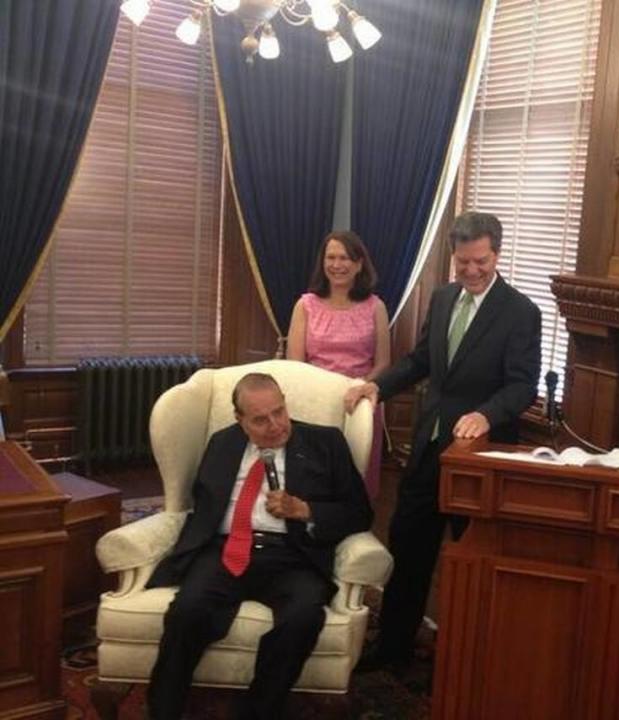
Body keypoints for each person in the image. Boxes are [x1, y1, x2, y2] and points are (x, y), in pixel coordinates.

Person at [344, 210, 541, 672]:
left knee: (471, 561)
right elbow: (419, 361)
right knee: (409, 548)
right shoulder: (443, 296)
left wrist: (485, 414)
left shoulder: (521, 312)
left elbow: (522, 385)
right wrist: (379, 387)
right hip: (430, 448)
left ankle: (468, 658)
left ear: (496, 254)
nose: (471, 272)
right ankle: (392, 648)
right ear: (453, 258)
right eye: (463, 263)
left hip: (478, 458)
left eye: (480, 262)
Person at [145, 373, 373, 720]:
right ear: (240, 420)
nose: (275, 425)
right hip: (226, 550)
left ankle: (256, 711)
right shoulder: (222, 443)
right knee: (187, 612)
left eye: (279, 412)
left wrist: (305, 510)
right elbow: (202, 505)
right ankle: (162, 712)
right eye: (260, 419)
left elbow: (360, 512)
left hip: (292, 556)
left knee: (302, 619)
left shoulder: (326, 443)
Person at [287, 230, 390, 498]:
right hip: (314, 402)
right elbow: (295, 363)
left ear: (358, 264)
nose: (336, 265)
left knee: (356, 480)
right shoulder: (305, 305)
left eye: (344, 258)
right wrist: (322, 392)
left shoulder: (375, 307)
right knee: (315, 479)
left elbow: (383, 363)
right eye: (330, 257)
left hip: (360, 403)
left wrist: (361, 388)